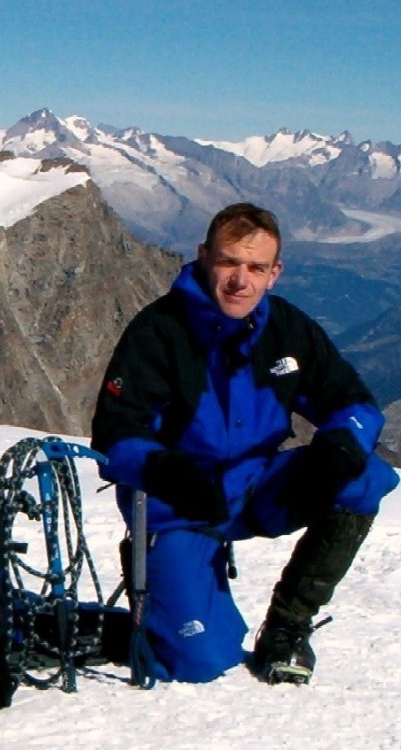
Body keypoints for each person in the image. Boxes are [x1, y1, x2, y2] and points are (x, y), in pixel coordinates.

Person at [91, 202, 398, 684]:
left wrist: (340, 446)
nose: (241, 280)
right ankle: (146, 620)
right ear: (203, 257)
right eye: (229, 262)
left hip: (254, 487)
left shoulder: (287, 330)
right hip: (177, 505)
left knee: (366, 475)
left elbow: (354, 403)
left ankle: (287, 627)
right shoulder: (159, 332)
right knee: (199, 661)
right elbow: (115, 437)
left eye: (256, 267)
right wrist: (168, 472)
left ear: (274, 273)